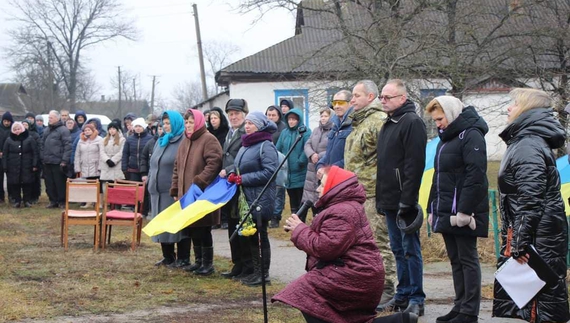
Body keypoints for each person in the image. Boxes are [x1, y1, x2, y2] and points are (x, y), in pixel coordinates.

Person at [273, 166, 418, 323]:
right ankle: (399, 321)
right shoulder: (343, 207)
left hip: (357, 275)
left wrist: (299, 230)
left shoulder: (342, 212)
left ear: (333, 188)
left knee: (304, 290)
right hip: (356, 273)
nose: (317, 189)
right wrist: (300, 230)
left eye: (322, 185)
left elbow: (325, 248)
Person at [493, 88, 570, 323]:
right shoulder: (526, 142)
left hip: (539, 238)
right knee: (539, 302)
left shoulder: (528, 145)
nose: (508, 108)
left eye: (514, 104)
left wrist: (519, 242)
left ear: (526, 110)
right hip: (540, 234)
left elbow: (530, 199)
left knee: (540, 303)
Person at [425, 96, 489, 323]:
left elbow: (476, 175)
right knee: (455, 259)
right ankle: (460, 306)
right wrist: (431, 207)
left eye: (440, 119)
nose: (438, 124)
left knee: (467, 258)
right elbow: (438, 176)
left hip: (463, 212)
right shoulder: (446, 139)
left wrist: (464, 211)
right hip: (445, 210)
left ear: (452, 114)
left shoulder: (471, 134)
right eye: (435, 120)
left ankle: (470, 311)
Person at [376, 79, 427, 316]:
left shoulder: (412, 122)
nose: (383, 100)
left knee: (409, 248)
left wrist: (407, 200)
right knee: (397, 248)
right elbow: (384, 166)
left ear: (402, 98)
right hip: (388, 198)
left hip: (403, 200)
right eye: (381, 97)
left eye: (388, 97)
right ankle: (403, 293)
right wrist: (381, 199)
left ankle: (417, 297)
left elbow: (413, 165)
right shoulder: (389, 123)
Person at [343, 80, 396, 304]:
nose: (352, 100)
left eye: (356, 95)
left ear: (371, 97)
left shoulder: (379, 122)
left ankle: (387, 288)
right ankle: (367, 286)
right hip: (357, 194)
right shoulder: (359, 123)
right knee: (360, 244)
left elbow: (388, 159)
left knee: (379, 242)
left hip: (373, 194)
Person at [171, 109, 222, 275]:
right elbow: (177, 168)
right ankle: (199, 261)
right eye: (186, 122)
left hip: (202, 194)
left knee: (203, 229)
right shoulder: (185, 141)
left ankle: (208, 264)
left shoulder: (208, 139)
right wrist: (175, 189)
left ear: (199, 122)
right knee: (192, 228)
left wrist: (200, 181)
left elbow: (214, 163)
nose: (188, 125)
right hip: (186, 195)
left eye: (191, 122)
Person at [231, 111, 278, 286]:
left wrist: (243, 179)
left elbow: (270, 172)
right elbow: (238, 167)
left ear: (260, 125)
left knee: (260, 236)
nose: (247, 126)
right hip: (246, 198)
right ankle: (255, 272)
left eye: (251, 123)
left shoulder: (265, 145)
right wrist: (231, 173)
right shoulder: (246, 145)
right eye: (247, 123)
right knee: (251, 236)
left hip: (260, 197)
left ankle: (263, 274)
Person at [147, 111, 192, 268]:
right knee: (162, 224)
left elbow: (183, 167)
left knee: (178, 226)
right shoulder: (161, 141)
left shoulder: (183, 141)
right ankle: (168, 256)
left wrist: (179, 189)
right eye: (164, 123)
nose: (166, 127)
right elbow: (153, 164)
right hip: (157, 191)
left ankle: (183, 258)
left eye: (169, 123)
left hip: (172, 192)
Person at [218, 99, 252, 280]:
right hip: (229, 185)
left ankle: (247, 265)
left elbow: (244, 158)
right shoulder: (230, 133)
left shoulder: (245, 132)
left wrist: (229, 170)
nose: (233, 117)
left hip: (240, 184)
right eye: (230, 114)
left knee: (241, 225)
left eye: (237, 113)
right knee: (232, 224)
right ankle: (237, 264)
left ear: (244, 114)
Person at [276, 108, 311, 213]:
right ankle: (293, 216)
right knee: (291, 197)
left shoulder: (305, 131)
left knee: (300, 196)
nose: (291, 121)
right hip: (287, 172)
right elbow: (278, 148)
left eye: (294, 119)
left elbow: (307, 147)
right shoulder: (284, 133)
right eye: (289, 119)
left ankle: (301, 219)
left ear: (298, 120)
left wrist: (301, 161)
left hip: (300, 171)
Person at [301, 108, 332, 213]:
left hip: (324, 166)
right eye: (322, 116)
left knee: (322, 194)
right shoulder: (316, 130)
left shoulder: (334, 130)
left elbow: (332, 148)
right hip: (311, 167)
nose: (323, 118)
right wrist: (311, 154)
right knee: (311, 195)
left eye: (326, 116)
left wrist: (319, 156)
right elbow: (307, 144)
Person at [40, 110, 72, 208]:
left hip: (58, 162)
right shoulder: (47, 130)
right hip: (47, 161)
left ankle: (62, 201)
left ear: (57, 118)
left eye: (51, 117)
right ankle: (52, 200)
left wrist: (64, 161)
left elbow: (68, 146)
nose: (49, 119)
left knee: (60, 183)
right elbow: (42, 144)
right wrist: (42, 157)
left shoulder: (63, 130)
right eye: (49, 117)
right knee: (49, 183)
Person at [3, 122, 38, 208]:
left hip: (27, 166)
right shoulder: (9, 140)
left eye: (18, 129)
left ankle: (27, 201)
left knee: (27, 183)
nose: (17, 131)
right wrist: (5, 166)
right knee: (15, 184)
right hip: (13, 166)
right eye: (15, 129)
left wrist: (34, 164)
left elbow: (35, 153)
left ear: (22, 129)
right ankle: (16, 201)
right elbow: (5, 154)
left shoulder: (29, 139)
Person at [316, 90, 353, 170]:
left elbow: (353, 157)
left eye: (340, 103)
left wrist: (329, 170)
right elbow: (329, 153)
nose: (336, 106)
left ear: (350, 103)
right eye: (334, 103)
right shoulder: (334, 126)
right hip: (331, 175)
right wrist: (320, 165)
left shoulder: (354, 125)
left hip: (345, 177)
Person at [207, 106, 230, 228]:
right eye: (211, 118)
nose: (213, 120)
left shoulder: (226, 132)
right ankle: (215, 220)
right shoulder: (208, 133)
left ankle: (225, 219)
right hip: (211, 165)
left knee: (223, 192)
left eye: (215, 118)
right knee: (213, 193)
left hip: (223, 165)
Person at [266, 105, 288, 229]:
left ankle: (276, 216)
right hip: (267, 163)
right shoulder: (264, 128)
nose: (271, 117)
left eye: (273, 115)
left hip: (280, 162)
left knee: (279, 191)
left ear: (279, 116)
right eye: (269, 115)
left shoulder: (283, 128)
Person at [74, 123, 103, 208]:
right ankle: (89, 202)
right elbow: (77, 154)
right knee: (88, 185)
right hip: (85, 166)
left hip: (96, 166)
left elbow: (101, 154)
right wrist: (77, 167)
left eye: (89, 130)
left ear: (93, 130)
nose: (87, 131)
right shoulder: (81, 140)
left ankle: (99, 203)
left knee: (98, 185)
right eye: (85, 130)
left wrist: (100, 167)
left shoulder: (99, 139)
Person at [122, 117, 152, 182]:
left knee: (145, 190)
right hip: (132, 170)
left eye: (140, 126)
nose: (138, 128)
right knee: (134, 190)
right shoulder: (129, 139)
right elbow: (125, 154)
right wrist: (124, 168)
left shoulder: (150, 139)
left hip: (146, 170)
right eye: (136, 126)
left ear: (143, 127)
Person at [99, 120, 126, 188]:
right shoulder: (104, 140)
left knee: (117, 187)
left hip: (117, 165)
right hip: (106, 165)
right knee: (106, 187)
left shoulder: (122, 140)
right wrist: (107, 160)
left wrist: (113, 160)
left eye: (113, 129)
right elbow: (102, 152)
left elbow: (121, 152)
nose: (112, 130)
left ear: (117, 130)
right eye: (110, 129)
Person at [0, 111, 14, 203]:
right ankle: (1, 197)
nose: (6, 123)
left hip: (10, 157)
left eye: (8, 121)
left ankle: (12, 196)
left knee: (11, 178)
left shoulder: (13, 129)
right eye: (5, 121)